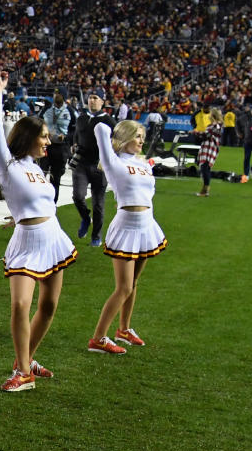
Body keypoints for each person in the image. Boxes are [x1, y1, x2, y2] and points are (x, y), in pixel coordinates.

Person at [0, 65, 77, 392]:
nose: (48, 141)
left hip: (53, 237)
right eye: (44, 136)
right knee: (21, 305)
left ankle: (27, 359)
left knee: (48, 306)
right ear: (29, 137)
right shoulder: (6, 165)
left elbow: (42, 203)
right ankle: (23, 371)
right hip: (26, 242)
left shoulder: (36, 168)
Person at [88, 119, 166, 354]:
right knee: (123, 288)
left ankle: (124, 329)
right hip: (126, 228)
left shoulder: (142, 163)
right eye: (137, 136)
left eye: (143, 136)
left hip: (146, 226)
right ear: (124, 137)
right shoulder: (113, 161)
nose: (142, 141)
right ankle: (98, 338)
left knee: (133, 284)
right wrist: (117, 127)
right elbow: (100, 128)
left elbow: (147, 194)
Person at [70, 87, 114, 246]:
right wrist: (74, 144)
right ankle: (85, 218)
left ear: (103, 101)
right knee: (78, 196)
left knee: (98, 204)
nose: (92, 100)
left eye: (95, 97)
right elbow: (77, 134)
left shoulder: (109, 121)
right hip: (81, 163)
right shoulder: (82, 117)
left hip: (99, 166)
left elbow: (115, 143)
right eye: (90, 97)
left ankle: (96, 236)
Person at [41, 91, 71, 202]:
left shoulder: (71, 111)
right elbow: (38, 122)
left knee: (56, 179)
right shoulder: (47, 109)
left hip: (60, 148)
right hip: (46, 146)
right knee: (41, 175)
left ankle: (52, 205)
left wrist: (66, 137)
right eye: (54, 93)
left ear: (63, 97)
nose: (56, 96)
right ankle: (40, 202)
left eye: (59, 94)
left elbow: (75, 130)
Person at [195, 107, 222, 198]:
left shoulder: (215, 126)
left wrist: (196, 133)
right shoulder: (215, 125)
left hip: (209, 148)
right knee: (206, 168)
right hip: (209, 147)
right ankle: (204, 189)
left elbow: (207, 135)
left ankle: (205, 190)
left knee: (204, 168)